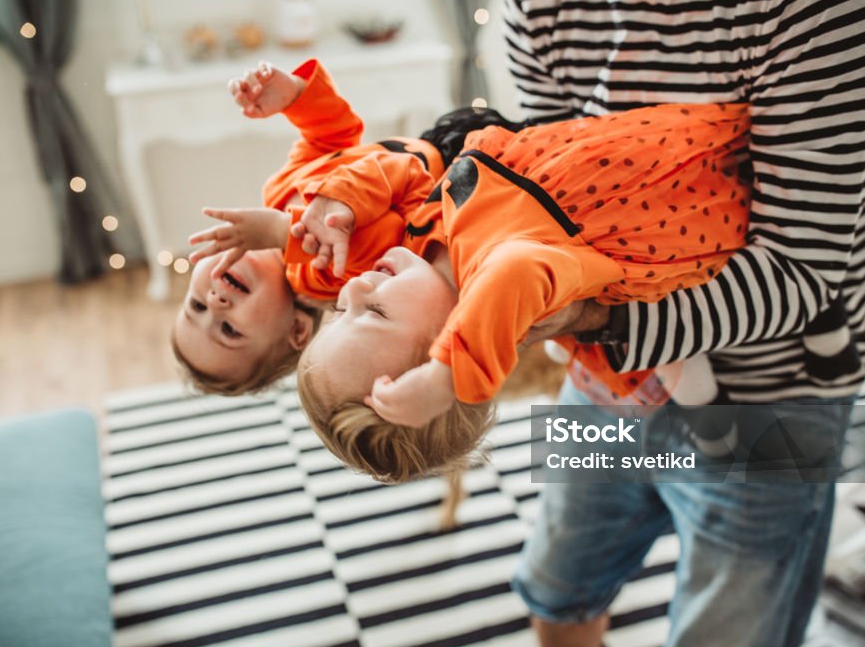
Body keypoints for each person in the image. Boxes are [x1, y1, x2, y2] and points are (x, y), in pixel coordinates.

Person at [500, 0, 865, 647]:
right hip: (607, 363)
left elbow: (798, 271)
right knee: (556, 578)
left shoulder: (830, 2)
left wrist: (588, 315)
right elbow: (553, 191)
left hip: (780, 380)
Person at [297, 101, 754, 482]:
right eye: (374, 311)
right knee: (648, 367)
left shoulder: (417, 252)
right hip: (685, 191)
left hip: (612, 148)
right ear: (450, 339)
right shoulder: (498, 275)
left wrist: (330, 204)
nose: (355, 286)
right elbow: (513, 272)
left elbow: (405, 167)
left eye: (339, 309)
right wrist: (447, 376)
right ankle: (706, 412)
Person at [171, 58, 448, 395]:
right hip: (458, 168)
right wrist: (280, 232)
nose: (215, 303)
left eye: (196, 306)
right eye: (229, 330)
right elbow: (390, 231)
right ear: (298, 331)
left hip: (434, 138)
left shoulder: (277, 193)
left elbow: (335, 136)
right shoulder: (323, 275)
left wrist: (295, 98)